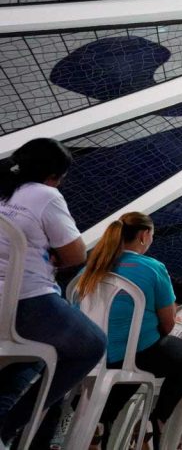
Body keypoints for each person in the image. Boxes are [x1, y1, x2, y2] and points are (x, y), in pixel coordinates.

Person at [0, 139, 107, 450]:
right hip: (25, 301)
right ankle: (7, 427)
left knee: (35, 355)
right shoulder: (46, 195)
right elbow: (76, 255)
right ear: (54, 175)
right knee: (90, 345)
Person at [77, 211, 182, 448]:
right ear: (144, 235)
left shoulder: (89, 270)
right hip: (134, 352)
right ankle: (158, 420)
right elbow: (168, 323)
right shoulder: (152, 268)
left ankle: (101, 422)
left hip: (91, 352)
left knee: (131, 365)